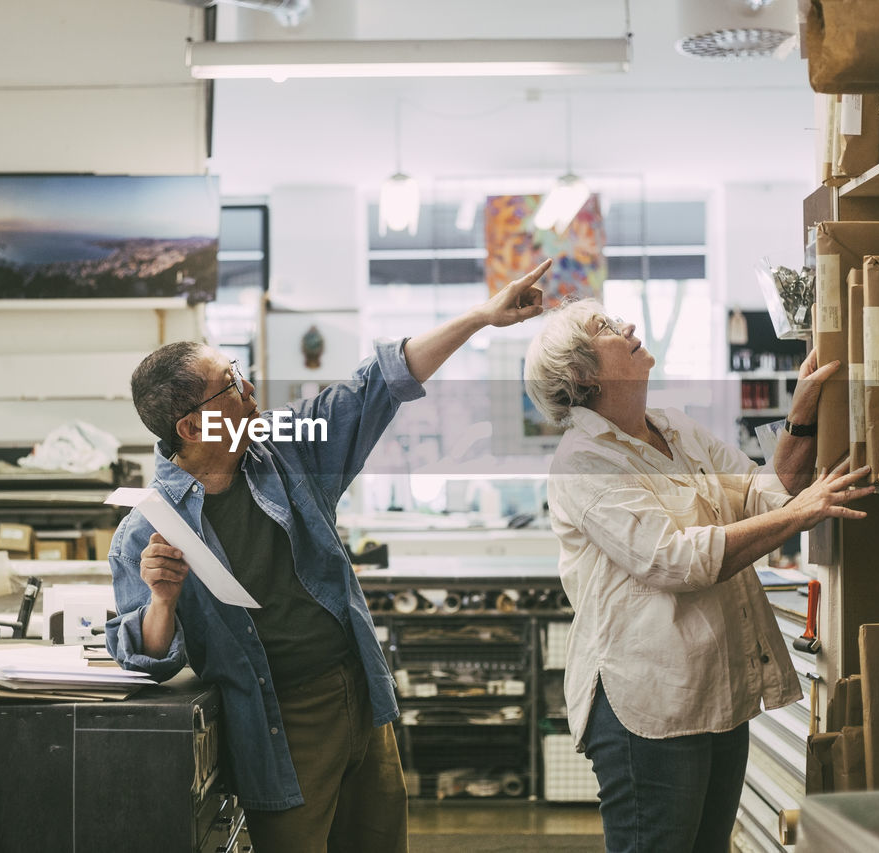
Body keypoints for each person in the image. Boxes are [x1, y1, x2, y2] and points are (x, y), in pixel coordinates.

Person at [105, 259, 550, 853]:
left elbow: (377, 385)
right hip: (279, 721)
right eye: (232, 384)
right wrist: (162, 600)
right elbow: (149, 659)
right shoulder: (145, 530)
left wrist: (479, 317)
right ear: (192, 425)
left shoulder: (284, 452)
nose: (249, 389)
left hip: (360, 690)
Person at [522, 299, 873, 853]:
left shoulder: (674, 429)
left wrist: (803, 411)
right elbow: (677, 561)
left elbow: (761, 494)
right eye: (607, 328)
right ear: (582, 375)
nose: (628, 326)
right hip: (648, 701)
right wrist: (802, 512)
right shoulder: (584, 462)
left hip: (716, 687)